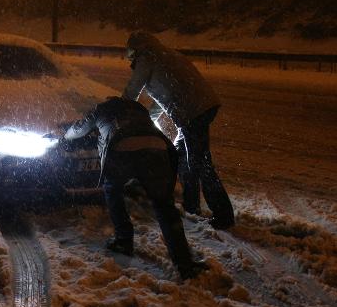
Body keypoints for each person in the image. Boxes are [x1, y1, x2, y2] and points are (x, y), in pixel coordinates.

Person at [64, 96, 207, 280]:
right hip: (157, 148)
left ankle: (123, 240)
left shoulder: (102, 109)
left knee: (112, 189)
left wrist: (64, 136)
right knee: (164, 206)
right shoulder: (137, 107)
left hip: (122, 148)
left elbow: (78, 130)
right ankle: (185, 264)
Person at [122, 31, 235, 230]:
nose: (130, 57)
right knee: (182, 154)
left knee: (200, 163)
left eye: (131, 51)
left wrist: (119, 112)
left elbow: (132, 91)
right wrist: (148, 122)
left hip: (193, 113)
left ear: (138, 48)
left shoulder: (147, 58)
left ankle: (222, 215)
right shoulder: (165, 55)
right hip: (201, 107)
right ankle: (191, 207)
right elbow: (164, 99)